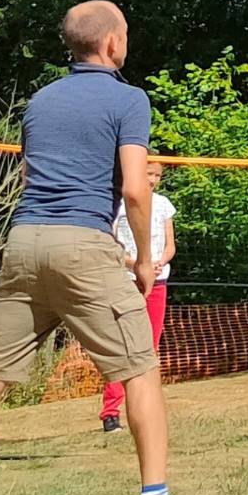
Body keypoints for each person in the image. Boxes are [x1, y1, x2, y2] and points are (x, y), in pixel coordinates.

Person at [0, 1, 219, 495]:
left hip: (24, 242)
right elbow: (134, 187)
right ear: (113, 44)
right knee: (140, 370)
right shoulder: (129, 99)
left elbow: (29, 175)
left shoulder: (41, 101)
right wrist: (144, 260)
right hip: (84, 246)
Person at [99, 159, 175, 433]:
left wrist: (157, 263)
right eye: (148, 173)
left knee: (150, 347)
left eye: (157, 175)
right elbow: (112, 244)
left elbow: (170, 245)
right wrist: (135, 264)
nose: (152, 179)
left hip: (157, 280)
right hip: (127, 280)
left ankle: (148, 409)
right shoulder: (119, 204)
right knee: (121, 346)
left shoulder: (163, 204)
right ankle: (111, 411)